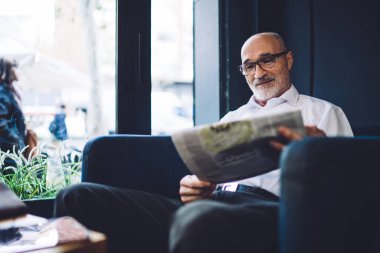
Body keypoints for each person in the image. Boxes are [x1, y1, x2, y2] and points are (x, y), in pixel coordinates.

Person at [54, 32, 353, 253]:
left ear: (288, 59)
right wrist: (192, 185)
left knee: (199, 220)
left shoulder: (323, 112)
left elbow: (348, 190)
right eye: (249, 66)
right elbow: (206, 172)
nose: (259, 73)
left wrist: (317, 152)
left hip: (272, 212)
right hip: (210, 204)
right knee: (76, 197)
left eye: (267, 60)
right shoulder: (231, 118)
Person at [0, 58, 37, 156]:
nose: (18, 72)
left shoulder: (8, 90)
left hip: (12, 149)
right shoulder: (2, 92)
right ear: (8, 70)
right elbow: (1, 122)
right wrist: (15, 140)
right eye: (15, 68)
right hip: (8, 151)